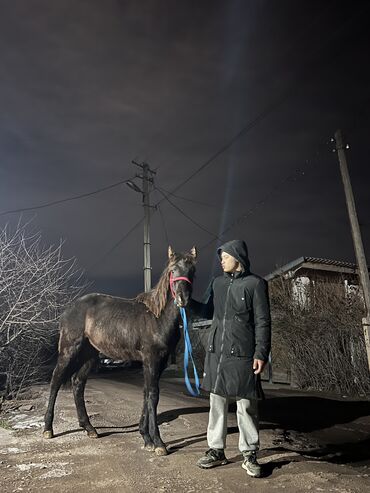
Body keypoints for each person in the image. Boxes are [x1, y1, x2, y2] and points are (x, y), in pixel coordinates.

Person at [196, 239, 271, 477]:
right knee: (216, 402)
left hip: (242, 352)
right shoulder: (216, 283)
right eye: (221, 257)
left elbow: (262, 321)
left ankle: (249, 454)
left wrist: (261, 352)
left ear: (238, 258)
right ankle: (216, 450)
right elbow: (207, 311)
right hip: (217, 351)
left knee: (246, 403)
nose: (222, 260)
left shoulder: (256, 284)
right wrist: (187, 303)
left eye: (225, 256)